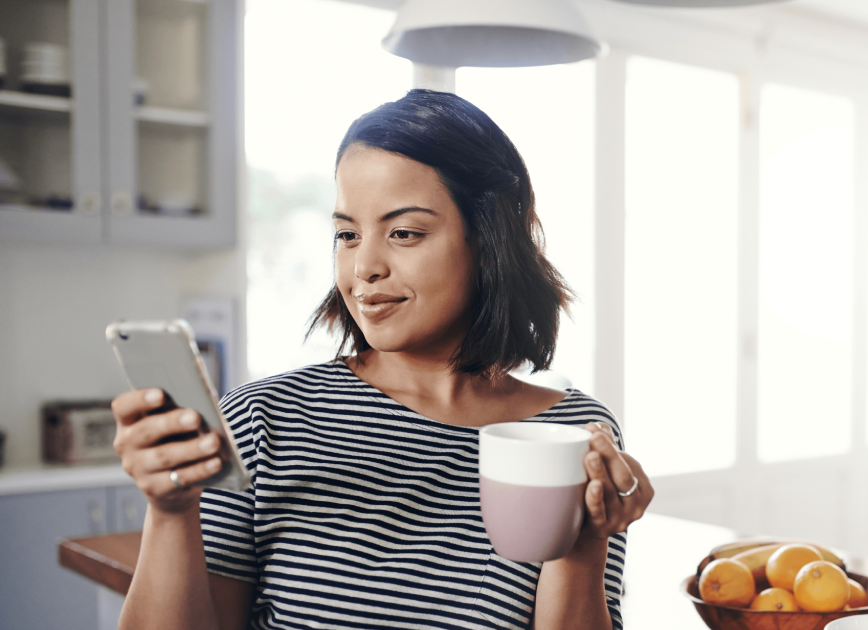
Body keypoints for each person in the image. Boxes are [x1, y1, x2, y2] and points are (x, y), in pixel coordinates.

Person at [110, 89, 653, 630]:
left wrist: (585, 545)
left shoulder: (572, 434)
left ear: (488, 239)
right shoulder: (261, 420)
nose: (364, 266)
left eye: (404, 233)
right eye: (347, 234)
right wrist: (171, 512)